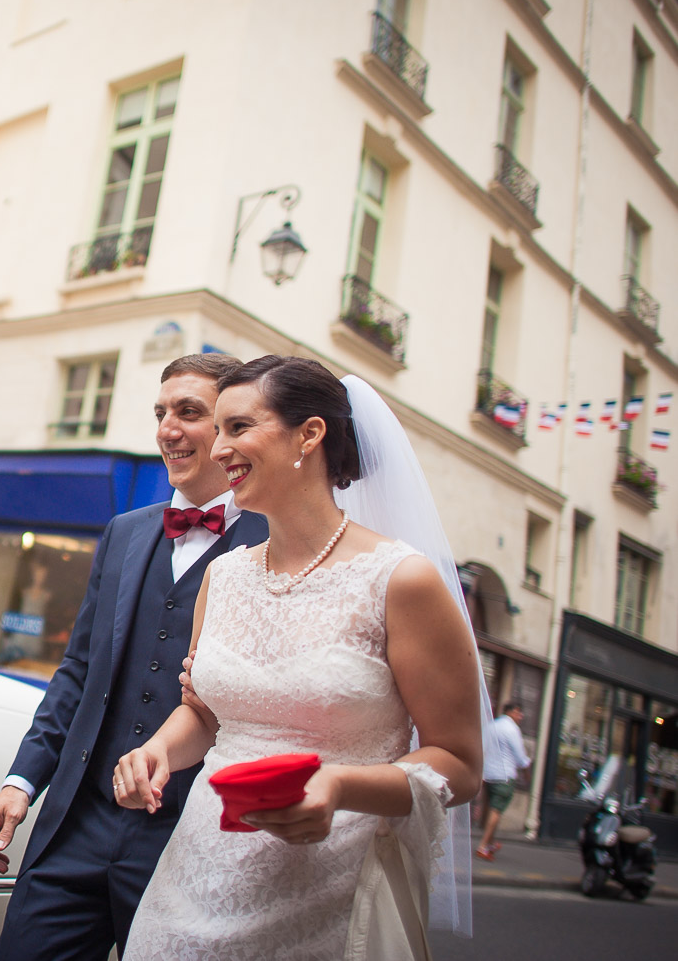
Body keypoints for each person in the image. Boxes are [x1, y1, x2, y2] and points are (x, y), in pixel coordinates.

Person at [113, 356, 489, 960]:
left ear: (309, 435)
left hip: (329, 894)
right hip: (194, 879)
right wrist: (157, 751)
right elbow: (206, 717)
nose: (218, 450)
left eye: (238, 428)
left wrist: (338, 787)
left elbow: (460, 763)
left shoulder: (400, 581)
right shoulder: (225, 575)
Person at [0, 353, 268, 960]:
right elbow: (78, 671)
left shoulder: (272, 545)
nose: (168, 429)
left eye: (190, 412)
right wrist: (22, 780)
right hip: (77, 822)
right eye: (161, 413)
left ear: (232, 429)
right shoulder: (126, 531)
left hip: (189, 832)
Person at [476, 701, 531, 861]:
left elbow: (482, 747)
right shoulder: (512, 729)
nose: (521, 716)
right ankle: (483, 845)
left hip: (489, 773)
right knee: (496, 810)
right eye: (518, 712)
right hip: (504, 775)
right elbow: (520, 757)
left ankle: (491, 842)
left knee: (490, 808)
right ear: (511, 712)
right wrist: (527, 773)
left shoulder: (492, 726)